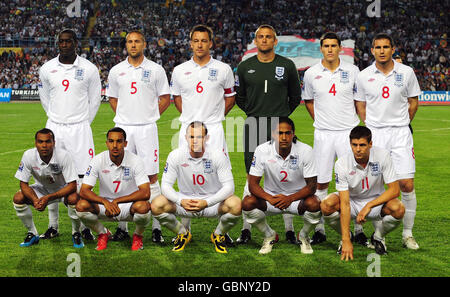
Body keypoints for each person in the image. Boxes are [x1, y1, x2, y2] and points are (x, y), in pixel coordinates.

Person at [235, 24, 302, 245]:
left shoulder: (287, 65)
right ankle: (246, 229)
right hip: (254, 124)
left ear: (275, 41)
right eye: (260, 37)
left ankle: (289, 229)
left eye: (268, 37)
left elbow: (295, 96)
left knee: (286, 176)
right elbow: (240, 97)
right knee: (251, 177)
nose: (264, 40)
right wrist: (255, 113)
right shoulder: (245, 67)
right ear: (256, 41)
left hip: (280, 126)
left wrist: (280, 116)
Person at [170, 25, 236, 244]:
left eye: (204, 40)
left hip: (214, 129)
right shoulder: (179, 70)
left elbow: (230, 98)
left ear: (210, 43)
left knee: (220, 175)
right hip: (187, 130)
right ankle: (184, 230)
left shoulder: (224, 69)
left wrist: (212, 120)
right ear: (191, 43)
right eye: (196, 40)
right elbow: (177, 99)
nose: (199, 44)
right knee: (184, 174)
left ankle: (221, 232)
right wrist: (193, 123)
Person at [355, 33, 421, 250]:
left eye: (386, 47)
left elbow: (413, 102)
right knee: (376, 185)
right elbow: (361, 105)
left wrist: (401, 123)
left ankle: (407, 234)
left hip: (401, 133)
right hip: (376, 134)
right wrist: (372, 126)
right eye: (377, 47)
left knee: (406, 184)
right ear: (372, 50)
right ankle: (379, 234)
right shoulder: (364, 76)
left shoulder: (407, 72)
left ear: (393, 49)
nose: (381, 50)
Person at [302, 32, 367, 246]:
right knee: (320, 182)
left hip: (347, 133)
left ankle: (358, 228)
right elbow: (309, 102)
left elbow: (359, 100)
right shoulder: (311, 73)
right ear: (321, 48)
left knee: (353, 180)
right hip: (323, 134)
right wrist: (322, 121)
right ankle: (320, 229)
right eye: (326, 46)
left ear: (340, 48)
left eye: (333, 45)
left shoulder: (353, 70)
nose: (330, 49)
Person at [106, 30, 170, 243]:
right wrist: (124, 117)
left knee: (151, 177)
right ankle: (122, 227)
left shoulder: (155, 69)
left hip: (146, 129)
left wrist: (149, 116)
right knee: (123, 176)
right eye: (130, 42)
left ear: (144, 44)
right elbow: (112, 98)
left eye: (137, 42)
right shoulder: (116, 71)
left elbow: (165, 98)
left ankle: (157, 227)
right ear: (126, 45)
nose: (133, 45)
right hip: (123, 128)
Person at [38, 28, 100, 241]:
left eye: (68, 41)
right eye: (61, 41)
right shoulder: (47, 69)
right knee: (52, 178)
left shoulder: (89, 69)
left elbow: (94, 101)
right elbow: (45, 98)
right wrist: (57, 119)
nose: (64, 45)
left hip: (80, 130)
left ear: (76, 43)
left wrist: (80, 123)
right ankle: (53, 226)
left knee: (82, 179)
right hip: (55, 128)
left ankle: (83, 227)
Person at [151, 122, 242, 253]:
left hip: (211, 203)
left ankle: (218, 234)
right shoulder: (175, 155)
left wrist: (207, 202)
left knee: (236, 204)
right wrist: (180, 201)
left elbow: (229, 187)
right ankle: (183, 233)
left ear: (207, 138)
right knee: (156, 205)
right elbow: (165, 185)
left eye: (199, 137)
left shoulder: (217, 155)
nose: (195, 141)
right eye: (192, 137)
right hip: (185, 203)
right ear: (186, 137)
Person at [321, 126, 405, 258]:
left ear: (370, 144)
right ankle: (348, 235)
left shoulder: (383, 156)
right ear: (350, 144)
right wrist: (346, 241)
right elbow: (345, 203)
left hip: (376, 203)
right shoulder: (342, 163)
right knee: (326, 204)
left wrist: (369, 205)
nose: (358, 149)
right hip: (352, 202)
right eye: (354, 145)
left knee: (398, 208)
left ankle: (378, 237)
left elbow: (395, 190)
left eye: (362, 145)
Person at [243, 117, 321, 254]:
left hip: (297, 199)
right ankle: (269, 235)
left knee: (315, 204)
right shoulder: (262, 150)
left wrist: (290, 198)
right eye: (280, 133)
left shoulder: (306, 150)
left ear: (293, 133)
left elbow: (312, 186)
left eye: (287, 133)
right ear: (273, 134)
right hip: (272, 199)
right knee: (247, 203)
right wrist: (270, 198)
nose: (284, 137)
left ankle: (303, 236)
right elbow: (253, 184)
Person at [76, 127, 151, 251]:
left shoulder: (136, 161)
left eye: (119, 141)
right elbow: (84, 190)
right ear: (107, 143)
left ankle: (138, 236)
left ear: (125, 143)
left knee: (144, 207)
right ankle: (102, 233)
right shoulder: (98, 160)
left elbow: (146, 192)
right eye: (111, 141)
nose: (115, 145)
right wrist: (105, 202)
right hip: (105, 206)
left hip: (128, 205)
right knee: (81, 205)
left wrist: (118, 201)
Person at [13, 128, 85, 248]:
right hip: (42, 188)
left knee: (74, 198)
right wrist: (35, 200)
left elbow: (72, 185)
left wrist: (49, 198)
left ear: (54, 143)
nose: (44, 145)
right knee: (18, 197)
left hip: (64, 189)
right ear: (35, 143)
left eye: (48, 141)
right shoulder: (28, 155)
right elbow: (23, 183)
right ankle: (32, 233)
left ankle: (76, 233)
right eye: (40, 142)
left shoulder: (63, 156)